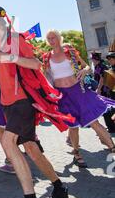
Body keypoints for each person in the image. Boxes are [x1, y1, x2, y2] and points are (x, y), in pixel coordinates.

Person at [0, 5, 70, 198]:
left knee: (8, 141)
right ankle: (59, 188)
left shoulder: (15, 39)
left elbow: (36, 65)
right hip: (8, 104)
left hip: (23, 102)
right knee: (31, 150)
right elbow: (3, 74)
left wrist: (10, 57)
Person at [43, 30, 115, 168]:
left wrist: (84, 71)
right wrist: (49, 92)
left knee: (94, 122)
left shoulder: (69, 52)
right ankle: (76, 153)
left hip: (78, 92)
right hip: (63, 96)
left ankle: (112, 148)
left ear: (59, 38)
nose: (52, 40)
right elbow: (48, 77)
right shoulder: (47, 58)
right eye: (49, 38)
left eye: (54, 37)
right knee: (73, 126)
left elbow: (86, 66)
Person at [103, 50, 115, 134]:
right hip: (112, 95)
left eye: (111, 59)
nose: (109, 60)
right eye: (108, 59)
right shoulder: (110, 69)